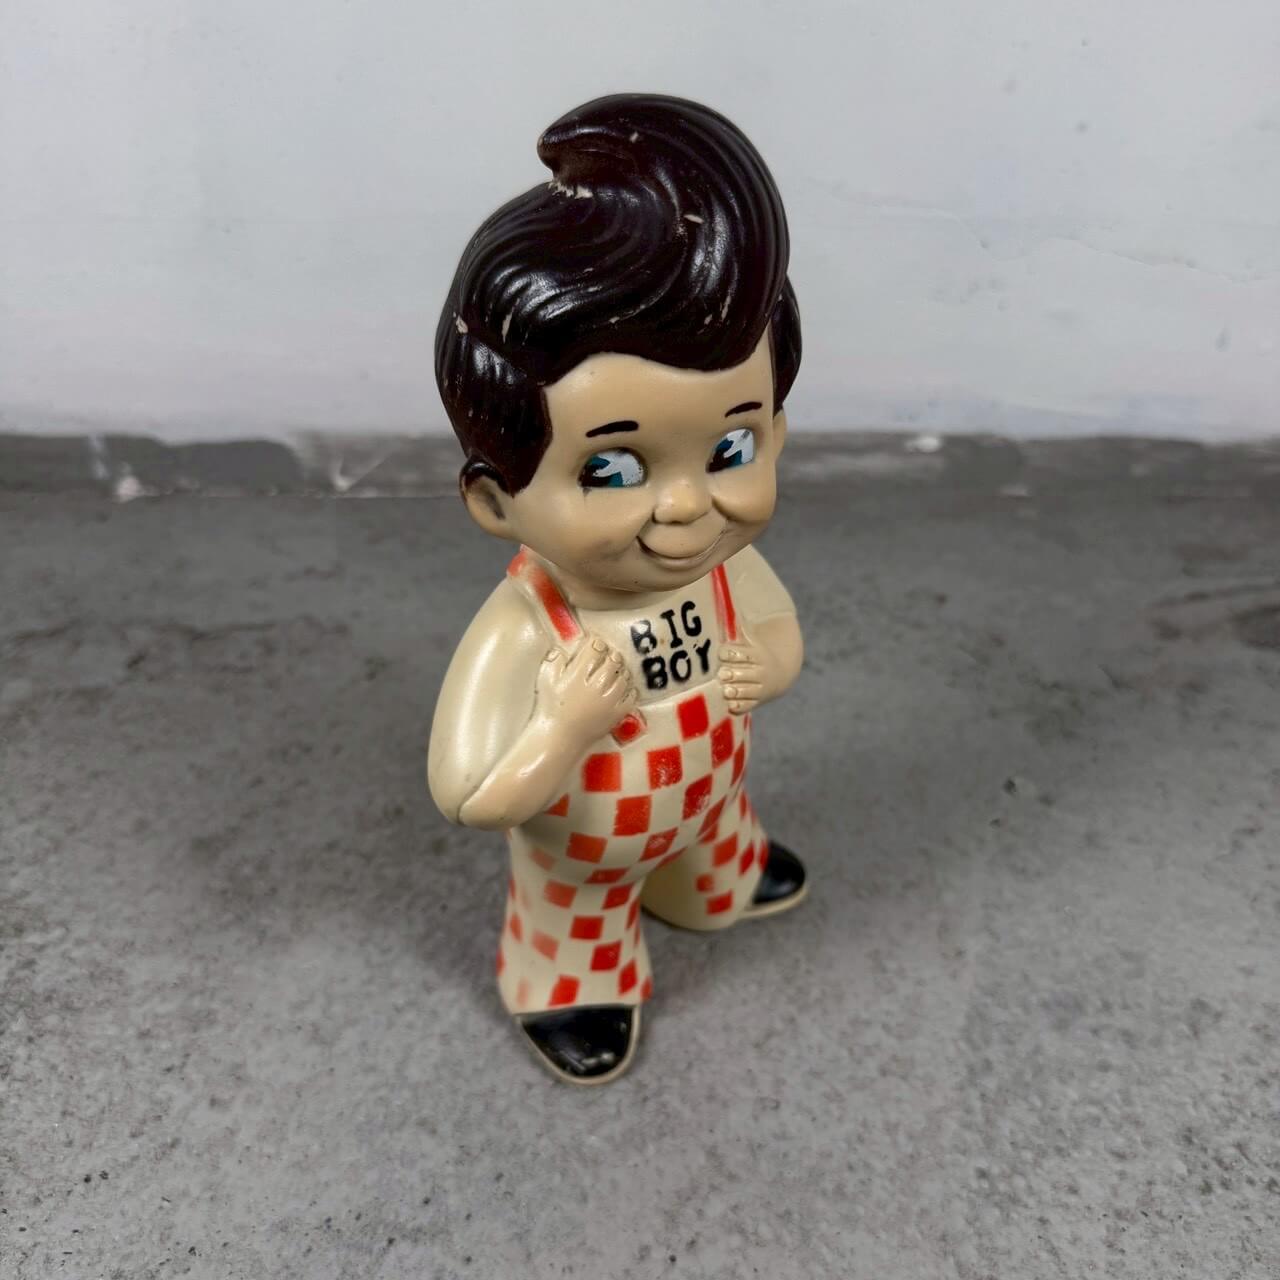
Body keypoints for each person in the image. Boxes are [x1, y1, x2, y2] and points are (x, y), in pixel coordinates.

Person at [429, 93, 806, 1085]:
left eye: (732, 449)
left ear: (775, 432)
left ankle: (711, 880)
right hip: (580, 855)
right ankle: (567, 985)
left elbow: (778, 628)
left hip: (709, 800)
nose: (685, 507)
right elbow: (466, 791)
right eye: (612, 468)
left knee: (718, 850)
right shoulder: (525, 625)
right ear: (495, 500)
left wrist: (767, 662)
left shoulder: (723, 567)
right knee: (576, 917)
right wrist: (560, 729)